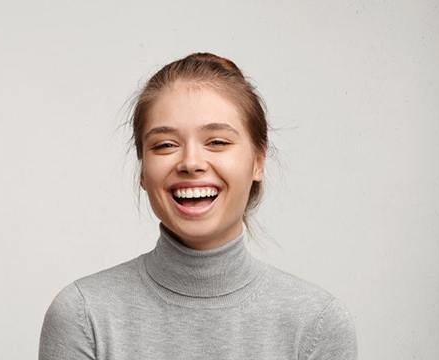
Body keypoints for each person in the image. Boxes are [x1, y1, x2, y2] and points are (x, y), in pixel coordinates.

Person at [38, 52, 358, 359]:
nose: (191, 162)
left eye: (217, 142)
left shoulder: (317, 323)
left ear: (258, 161)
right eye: (165, 145)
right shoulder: (84, 315)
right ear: (143, 171)